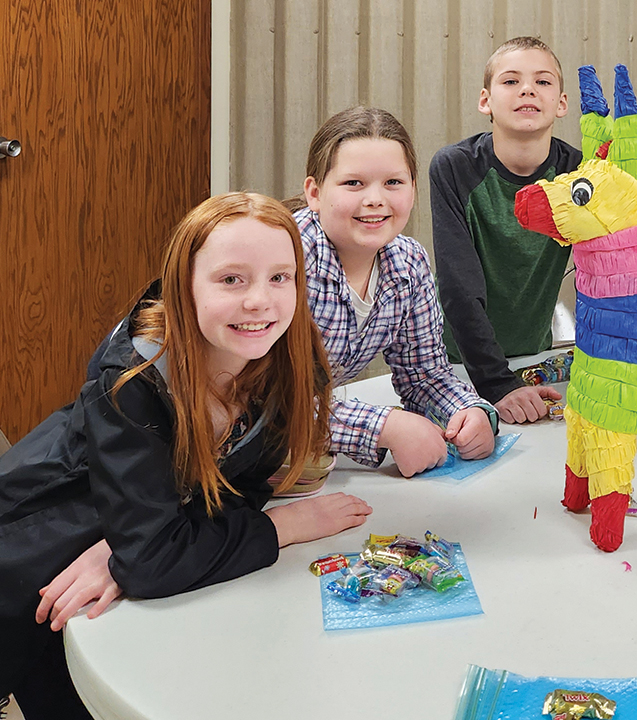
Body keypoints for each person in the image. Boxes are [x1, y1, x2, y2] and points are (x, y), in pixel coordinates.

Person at [0, 193, 372, 719]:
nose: (260, 301)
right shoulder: (134, 380)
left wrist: (127, 549)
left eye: (280, 277)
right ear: (183, 287)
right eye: (231, 280)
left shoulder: (284, 356)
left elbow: (236, 494)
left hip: (112, 556)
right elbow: (152, 562)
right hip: (32, 557)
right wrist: (285, 527)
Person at [295, 106, 498, 477]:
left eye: (393, 182)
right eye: (353, 183)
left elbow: (424, 375)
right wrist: (384, 427)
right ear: (314, 192)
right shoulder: (282, 262)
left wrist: (468, 411)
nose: (375, 199)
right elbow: (255, 402)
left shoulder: (407, 264)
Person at [429, 36, 581, 425]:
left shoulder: (582, 176)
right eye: (511, 81)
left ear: (561, 104)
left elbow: (605, 275)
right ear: (486, 101)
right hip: (460, 363)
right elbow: (458, 286)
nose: (527, 88)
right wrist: (497, 385)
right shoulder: (454, 168)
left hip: (536, 358)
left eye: (543, 82)